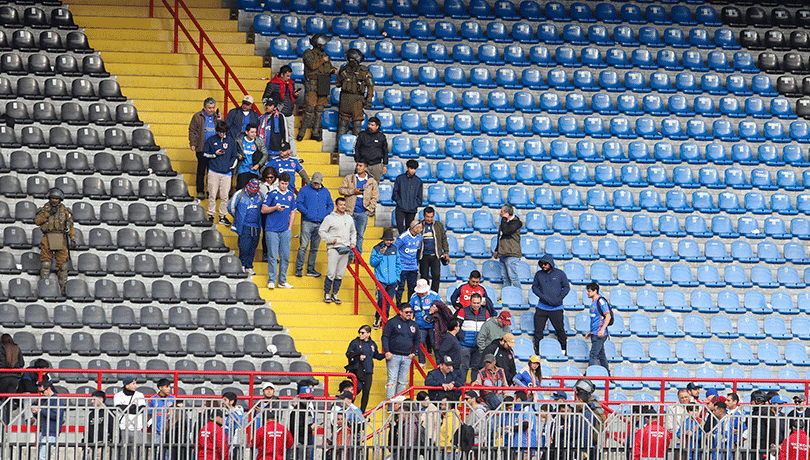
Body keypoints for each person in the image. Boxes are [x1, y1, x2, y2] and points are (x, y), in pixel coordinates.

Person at [36, 187, 75, 294]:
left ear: (60, 199)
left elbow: (70, 225)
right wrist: (47, 214)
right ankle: (44, 287)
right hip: (47, 237)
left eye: (56, 199)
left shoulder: (65, 211)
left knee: (63, 266)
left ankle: (63, 289)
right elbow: (37, 221)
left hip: (60, 237)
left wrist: (72, 238)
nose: (54, 200)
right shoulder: (44, 209)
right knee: (46, 264)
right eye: (52, 198)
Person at [262, 172, 297, 289]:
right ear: (279, 182)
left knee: (285, 256)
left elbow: (293, 212)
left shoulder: (291, 195)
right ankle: (272, 279)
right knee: (272, 255)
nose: (284, 186)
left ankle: (282, 280)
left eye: (286, 184)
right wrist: (275, 208)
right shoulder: (272, 194)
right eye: (282, 183)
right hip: (271, 229)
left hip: (285, 230)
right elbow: (263, 209)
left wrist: (290, 227)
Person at [298, 33, 336, 142]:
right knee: (310, 108)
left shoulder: (325, 55)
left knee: (320, 109)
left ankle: (315, 132)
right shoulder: (308, 53)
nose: (324, 45)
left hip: (324, 82)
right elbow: (312, 66)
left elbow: (328, 66)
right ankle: (302, 132)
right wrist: (323, 60)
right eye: (323, 43)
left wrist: (332, 69)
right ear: (318, 44)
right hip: (312, 83)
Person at [319, 197, 357, 304]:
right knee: (331, 271)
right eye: (341, 205)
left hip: (345, 248)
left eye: (344, 205)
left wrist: (353, 242)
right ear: (337, 205)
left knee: (340, 273)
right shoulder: (329, 218)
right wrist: (331, 240)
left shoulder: (349, 218)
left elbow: (353, 231)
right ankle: (327, 293)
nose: (343, 207)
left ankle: (335, 294)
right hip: (334, 248)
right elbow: (321, 231)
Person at [295, 172, 333, 278]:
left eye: (317, 183)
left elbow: (331, 205)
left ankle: (310, 269)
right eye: (314, 182)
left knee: (314, 248)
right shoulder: (304, 190)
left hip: (320, 223)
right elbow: (298, 203)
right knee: (303, 246)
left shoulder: (325, 191)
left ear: (321, 182)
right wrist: (306, 212)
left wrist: (324, 215)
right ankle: (299, 269)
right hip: (307, 222)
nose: (315, 185)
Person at [532, 254, 571, 355]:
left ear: (550, 263)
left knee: (560, 330)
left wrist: (559, 298)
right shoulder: (539, 274)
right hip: (542, 307)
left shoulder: (560, 274)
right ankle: (537, 350)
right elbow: (534, 287)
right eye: (541, 264)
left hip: (556, 308)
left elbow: (566, 287)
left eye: (545, 264)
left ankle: (563, 349)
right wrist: (542, 297)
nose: (543, 266)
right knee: (538, 330)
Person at [335, 48, 374, 148]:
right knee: (343, 123)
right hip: (345, 99)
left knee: (357, 123)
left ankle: (356, 147)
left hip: (357, 100)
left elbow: (370, 86)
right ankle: (339, 146)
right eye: (349, 59)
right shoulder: (343, 70)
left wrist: (369, 98)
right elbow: (338, 84)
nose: (350, 61)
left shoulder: (364, 71)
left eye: (352, 59)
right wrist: (341, 77)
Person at [339, 161, 379, 255]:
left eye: (360, 166)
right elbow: (341, 190)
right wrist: (353, 191)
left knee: (360, 235)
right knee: (349, 234)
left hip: (363, 212)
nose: (358, 167)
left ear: (365, 168)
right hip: (350, 212)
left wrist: (369, 210)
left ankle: (358, 257)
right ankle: (349, 256)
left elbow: (375, 197)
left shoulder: (372, 181)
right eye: (357, 165)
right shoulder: (350, 178)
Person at [203, 120, 239, 225]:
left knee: (224, 196)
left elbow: (234, 157)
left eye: (224, 132)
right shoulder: (211, 140)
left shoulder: (231, 141)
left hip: (227, 173)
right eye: (220, 132)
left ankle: (223, 216)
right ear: (217, 131)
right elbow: (205, 154)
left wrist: (229, 168)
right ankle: (211, 215)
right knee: (212, 195)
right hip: (213, 171)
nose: (222, 134)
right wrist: (214, 154)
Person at [262, 65, 300, 157]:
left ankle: (294, 155)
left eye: (290, 76)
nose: (289, 78)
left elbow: (290, 98)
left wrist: (295, 95)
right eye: (287, 76)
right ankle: (282, 153)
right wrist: (271, 110)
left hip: (289, 114)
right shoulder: (272, 84)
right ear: (281, 75)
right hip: (278, 116)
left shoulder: (291, 84)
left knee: (291, 135)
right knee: (281, 136)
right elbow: (265, 99)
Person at [381, 304, 419, 399]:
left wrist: (414, 353)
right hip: (393, 355)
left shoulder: (414, 324)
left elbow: (417, 339)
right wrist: (387, 351)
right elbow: (385, 337)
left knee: (402, 382)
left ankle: (399, 406)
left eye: (411, 312)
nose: (409, 314)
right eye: (406, 312)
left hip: (407, 357)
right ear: (400, 312)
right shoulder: (392, 322)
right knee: (392, 381)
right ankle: (391, 405)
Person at [345, 325, 385, 412]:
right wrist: (358, 357)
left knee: (366, 392)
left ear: (368, 334)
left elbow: (375, 355)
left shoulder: (372, 344)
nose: (360, 334)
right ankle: (348, 408)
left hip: (368, 371)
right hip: (357, 370)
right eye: (359, 332)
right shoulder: (355, 342)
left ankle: (362, 412)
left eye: (363, 333)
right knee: (357, 388)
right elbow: (348, 353)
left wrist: (385, 355)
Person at [228, 178, 264, 275]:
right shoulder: (239, 194)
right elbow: (230, 207)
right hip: (244, 225)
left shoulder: (260, 195)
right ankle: (242, 265)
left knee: (253, 247)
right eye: (251, 192)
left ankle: (249, 266)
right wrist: (238, 217)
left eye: (254, 192)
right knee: (244, 247)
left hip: (256, 226)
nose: (252, 194)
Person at [189, 97, 222, 199]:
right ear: (204, 107)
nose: (211, 110)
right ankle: (200, 191)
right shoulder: (197, 116)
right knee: (201, 170)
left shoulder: (217, 117)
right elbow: (192, 131)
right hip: (202, 147)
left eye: (213, 107)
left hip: (214, 149)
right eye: (209, 108)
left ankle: (211, 192)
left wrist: (220, 121)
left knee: (212, 173)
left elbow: (223, 130)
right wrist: (193, 143)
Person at [369, 228, 400, 328]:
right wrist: (380, 254)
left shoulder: (394, 249)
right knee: (381, 300)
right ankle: (377, 317)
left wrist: (397, 277)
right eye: (387, 239)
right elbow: (372, 263)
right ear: (383, 239)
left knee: (389, 302)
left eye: (390, 240)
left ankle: (384, 319)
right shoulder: (376, 248)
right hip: (381, 280)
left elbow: (398, 264)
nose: (388, 241)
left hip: (392, 281)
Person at [457, 293, 491, 382]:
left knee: (476, 367)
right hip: (465, 345)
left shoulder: (486, 312)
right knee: (464, 367)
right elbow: (457, 327)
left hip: (479, 346)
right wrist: (463, 337)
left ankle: (473, 391)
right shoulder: (463, 311)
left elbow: (488, 328)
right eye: (474, 303)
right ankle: (461, 388)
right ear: (470, 302)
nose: (476, 305)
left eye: (478, 303)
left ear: (481, 303)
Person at [114, 376, 146, 460]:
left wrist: (128, 408)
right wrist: (133, 407)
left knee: (139, 453)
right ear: (127, 385)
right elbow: (120, 408)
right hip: (123, 427)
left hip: (137, 427)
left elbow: (141, 409)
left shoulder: (140, 395)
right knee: (123, 453)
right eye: (133, 383)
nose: (135, 385)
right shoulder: (118, 395)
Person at [31, 379, 64, 460]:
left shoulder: (56, 400)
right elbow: (43, 415)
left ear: (49, 389)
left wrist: (41, 411)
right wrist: (36, 412)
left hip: (51, 432)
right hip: (43, 431)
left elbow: (56, 415)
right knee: (41, 456)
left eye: (42, 391)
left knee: (43, 456)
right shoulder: (44, 400)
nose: (41, 394)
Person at [409, 279, 441, 364]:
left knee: (435, 343)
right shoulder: (414, 297)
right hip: (420, 326)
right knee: (420, 343)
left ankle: (438, 363)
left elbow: (443, 307)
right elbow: (411, 310)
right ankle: (422, 362)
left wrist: (436, 309)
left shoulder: (434, 295)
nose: (422, 293)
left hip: (433, 325)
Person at [418, 207, 449, 293]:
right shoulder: (419, 225)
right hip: (423, 256)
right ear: (424, 216)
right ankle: (425, 294)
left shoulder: (438, 225)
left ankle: (434, 295)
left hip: (435, 255)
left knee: (436, 276)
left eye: (431, 217)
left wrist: (446, 252)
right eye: (427, 217)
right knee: (424, 278)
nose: (429, 219)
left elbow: (444, 239)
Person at [493, 204, 523, 288]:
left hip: (512, 254)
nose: (500, 213)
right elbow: (501, 236)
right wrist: (496, 250)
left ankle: (519, 296)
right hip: (503, 253)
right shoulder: (505, 223)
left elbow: (506, 231)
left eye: (502, 212)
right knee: (505, 278)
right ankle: (507, 296)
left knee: (513, 276)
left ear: (507, 213)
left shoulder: (517, 223)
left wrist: (503, 219)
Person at [585, 282, 612, 373]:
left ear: (595, 291)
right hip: (594, 332)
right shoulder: (593, 303)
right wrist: (590, 331)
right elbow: (596, 319)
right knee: (602, 355)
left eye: (589, 291)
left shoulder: (601, 301)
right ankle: (608, 375)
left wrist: (602, 329)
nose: (587, 293)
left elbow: (608, 316)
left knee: (593, 354)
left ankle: (588, 375)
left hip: (600, 334)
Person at [353, 116, 388, 183]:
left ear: (377, 126)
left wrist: (385, 165)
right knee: (358, 184)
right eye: (369, 124)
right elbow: (356, 148)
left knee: (374, 187)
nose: (369, 126)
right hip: (363, 164)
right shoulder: (362, 135)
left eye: (372, 125)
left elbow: (385, 151)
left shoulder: (381, 137)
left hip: (376, 165)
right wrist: (358, 161)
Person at [234, 122, 269, 190]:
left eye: (255, 132)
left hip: (254, 171)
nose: (254, 134)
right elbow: (234, 152)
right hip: (243, 170)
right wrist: (238, 156)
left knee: (253, 192)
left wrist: (258, 165)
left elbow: (265, 154)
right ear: (246, 132)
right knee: (241, 191)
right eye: (252, 132)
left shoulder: (259, 142)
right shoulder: (239, 141)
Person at [395, 219, 422, 304]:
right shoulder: (403, 237)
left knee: (412, 288)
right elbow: (395, 249)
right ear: (414, 228)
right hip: (403, 267)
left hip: (413, 267)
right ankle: (398, 305)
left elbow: (417, 251)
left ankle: (410, 305)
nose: (421, 230)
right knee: (401, 287)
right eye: (420, 228)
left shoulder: (419, 237)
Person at [392, 159, 423, 234]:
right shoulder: (399, 178)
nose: (412, 170)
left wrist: (414, 205)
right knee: (400, 227)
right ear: (407, 168)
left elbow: (420, 197)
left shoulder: (418, 181)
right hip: (400, 208)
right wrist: (400, 202)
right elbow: (395, 194)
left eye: (414, 169)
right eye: (411, 168)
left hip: (412, 210)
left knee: (409, 230)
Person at [148, 378, 175, 460]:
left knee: (168, 452)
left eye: (169, 387)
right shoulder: (153, 399)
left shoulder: (173, 399)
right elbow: (148, 415)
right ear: (160, 388)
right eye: (166, 387)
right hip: (158, 431)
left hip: (170, 431)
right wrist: (152, 426)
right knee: (157, 452)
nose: (169, 389)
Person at [84, 390, 114, 460]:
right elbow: (87, 431)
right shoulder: (91, 414)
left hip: (105, 446)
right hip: (92, 446)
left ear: (101, 399)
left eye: (94, 399)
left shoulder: (109, 413)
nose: (92, 401)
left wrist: (111, 444)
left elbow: (114, 430)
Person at [258, 166, 279, 262]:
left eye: (271, 177)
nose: (269, 179)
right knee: (266, 234)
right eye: (267, 177)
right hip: (265, 212)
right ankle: (265, 253)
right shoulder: (260, 185)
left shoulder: (279, 184)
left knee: (275, 235)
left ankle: (273, 255)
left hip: (276, 212)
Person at [222, 392, 245, 460]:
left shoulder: (238, 414)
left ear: (231, 401)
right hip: (226, 445)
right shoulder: (225, 412)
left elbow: (238, 431)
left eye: (225, 400)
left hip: (233, 448)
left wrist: (232, 447)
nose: (223, 402)